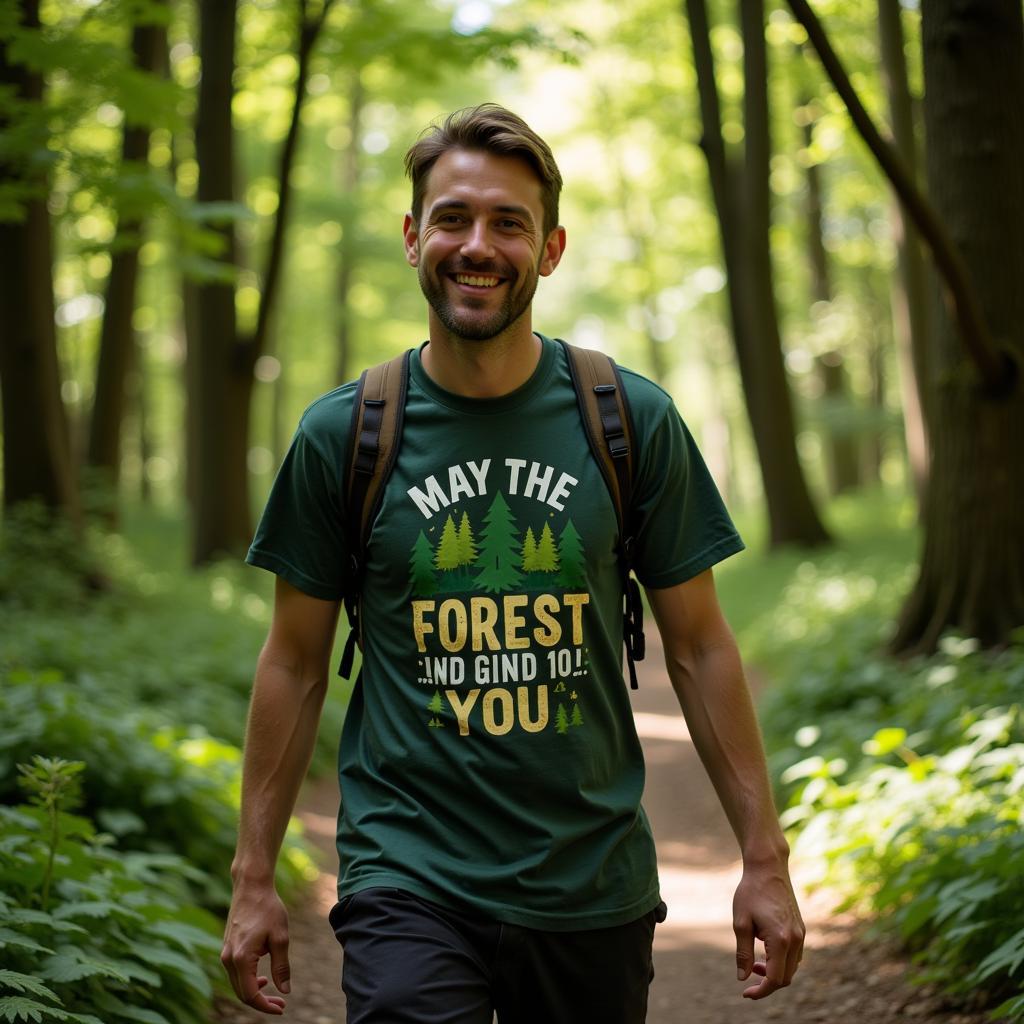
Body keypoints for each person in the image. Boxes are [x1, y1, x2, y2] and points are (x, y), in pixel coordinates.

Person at [220, 103, 805, 1022]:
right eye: (452, 218)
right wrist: (253, 876)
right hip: (405, 873)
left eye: (508, 223)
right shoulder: (345, 434)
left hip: (588, 883)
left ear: (553, 247)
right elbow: (293, 663)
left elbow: (698, 647)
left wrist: (762, 860)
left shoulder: (628, 420)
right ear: (414, 236)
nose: (476, 245)